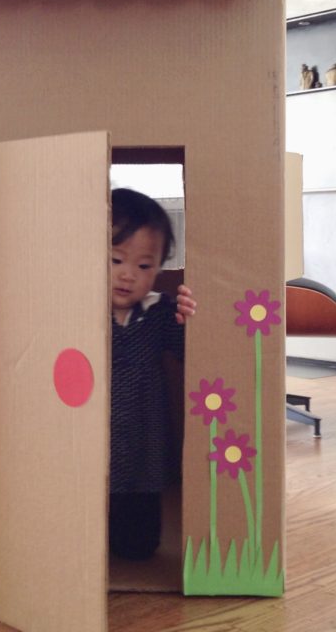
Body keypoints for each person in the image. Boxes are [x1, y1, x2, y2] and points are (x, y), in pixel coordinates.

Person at [109, 187, 196, 560]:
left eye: (145, 266)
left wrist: (189, 316)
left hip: (146, 431)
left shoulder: (158, 311)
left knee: (140, 538)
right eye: (115, 259)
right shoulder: (75, 310)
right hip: (92, 431)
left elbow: (190, 350)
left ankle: (136, 545)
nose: (129, 275)